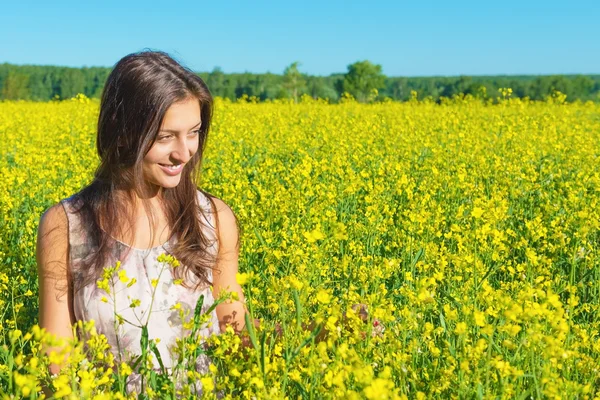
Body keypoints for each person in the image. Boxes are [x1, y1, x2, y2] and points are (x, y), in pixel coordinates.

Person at [36, 50, 246, 396]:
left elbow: (235, 331)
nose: (185, 152)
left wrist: (318, 335)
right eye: (166, 137)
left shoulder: (214, 219)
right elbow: (56, 361)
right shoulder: (66, 225)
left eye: (193, 132)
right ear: (121, 133)